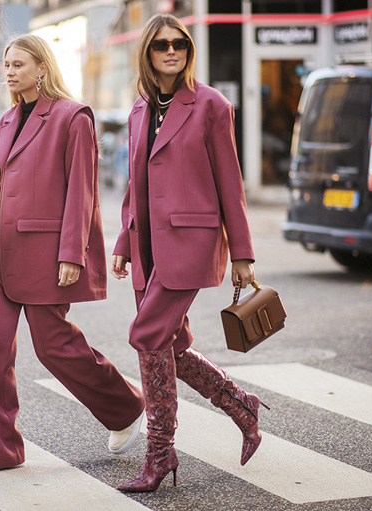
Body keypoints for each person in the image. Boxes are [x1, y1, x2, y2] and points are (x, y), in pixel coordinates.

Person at [0, 34, 145, 472]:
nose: (9, 71)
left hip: (44, 252)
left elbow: (82, 192)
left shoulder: (72, 117)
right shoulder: (7, 120)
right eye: (6, 64)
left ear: (42, 67)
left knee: (54, 346)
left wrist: (72, 254)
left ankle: (125, 407)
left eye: (19, 63)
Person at [110, 14, 269, 492]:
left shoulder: (212, 106)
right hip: (147, 247)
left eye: (179, 43)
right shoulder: (140, 109)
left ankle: (160, 453)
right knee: (170, 346)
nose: (171, 51)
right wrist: (123, 240)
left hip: (190, 242)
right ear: (148, 53)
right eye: (161, 45)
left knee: (146, 335)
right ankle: (240, 405)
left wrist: (242, 253)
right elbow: (133, 184)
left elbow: (230, 184)